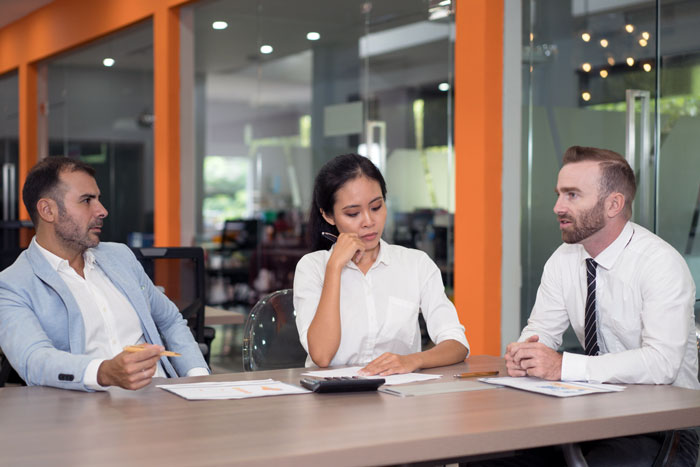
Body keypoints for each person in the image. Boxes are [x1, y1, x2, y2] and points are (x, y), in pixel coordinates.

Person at [496, 146, 699, 466]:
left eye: (572, 195)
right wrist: (527, 352)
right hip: (588, 413)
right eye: (559, 194)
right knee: (492, 456)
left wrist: (563, 366)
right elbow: (541, 331)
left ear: (613, 204)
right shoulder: (562, 260)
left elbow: (663, 363)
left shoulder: (660, 264)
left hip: (662, 424)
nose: (557, 206)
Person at [0, 157, 209, 392]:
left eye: (98, 199)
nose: (102, 211)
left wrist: (198, 377)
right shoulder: (11, 285)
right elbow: (34, 360)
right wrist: (104, 372)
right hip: (88, 414)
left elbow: (170, 320)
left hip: (165, 400)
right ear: (48, 210)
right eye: (87, 200)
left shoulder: (120, 257)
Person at [293, 153, 469, 375]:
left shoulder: (415, 264)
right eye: (353, 213)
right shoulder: (312, 268)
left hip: (398, 398)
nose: (369, 221)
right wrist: (335, 267)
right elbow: (322, 356)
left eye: (376, 207)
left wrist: (412, 360)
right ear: (329, 216)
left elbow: (457, 343)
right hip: (333, 400)